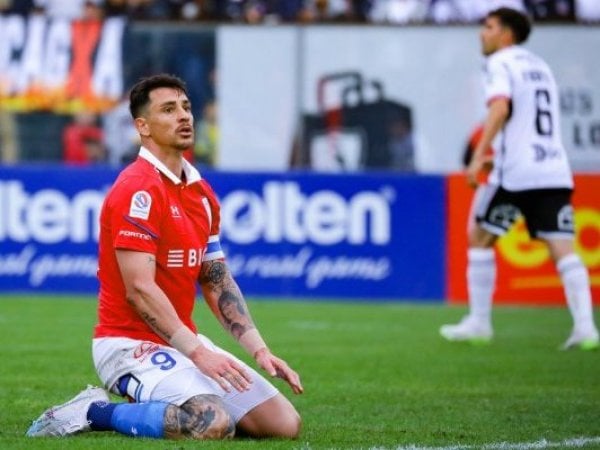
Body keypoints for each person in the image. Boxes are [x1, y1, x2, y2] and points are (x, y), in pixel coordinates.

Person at [26, 74, 303, 440]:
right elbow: (139, 290)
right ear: (143, 126)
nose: (184, 116)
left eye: (186, 107)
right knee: (211, 422)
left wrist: (260, 350)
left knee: (283, 425)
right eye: (169, 110)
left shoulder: (202, 193)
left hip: (181, 342)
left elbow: (217, 280)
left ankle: (172, 395)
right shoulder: (137, 189)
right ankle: (93, 411)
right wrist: (198, 353)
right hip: (127, 345)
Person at [439, 7, 599, 350]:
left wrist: (480, 154)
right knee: (563, 249)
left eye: (489, 27)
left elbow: (500, 108)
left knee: (479, 237)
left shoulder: (500, 62)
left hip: (515, 172)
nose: (482, 33)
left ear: (506, 35)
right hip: (552, 168)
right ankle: (586, 328)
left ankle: (479, 323)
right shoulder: (540, 66)